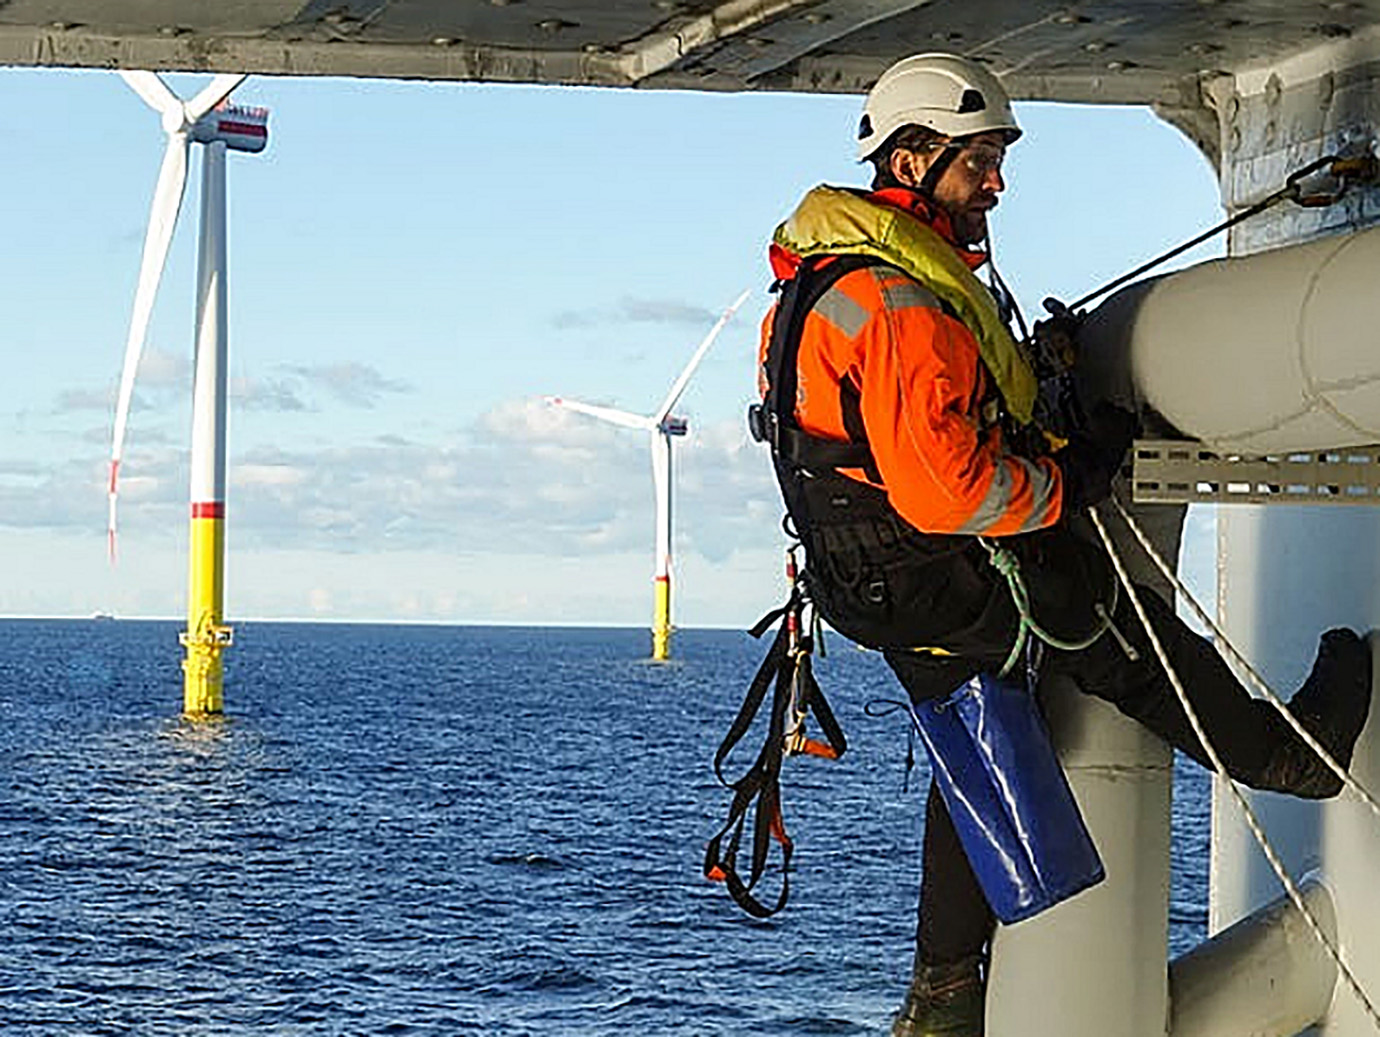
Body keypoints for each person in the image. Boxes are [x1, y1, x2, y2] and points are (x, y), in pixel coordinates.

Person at [752, 52, 1374, 1037]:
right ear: (910, 159)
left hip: (867, 575)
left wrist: (1037, 391)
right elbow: (949, 485)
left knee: (976, 745)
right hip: (938, 567)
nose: (995, 182)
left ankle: (945, 990)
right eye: (977, 162)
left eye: (997, 159)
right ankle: (1289, 757)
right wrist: (1068, 479)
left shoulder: (832, 283)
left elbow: (901, 433)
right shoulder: (903, 303)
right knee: (1123, 635)